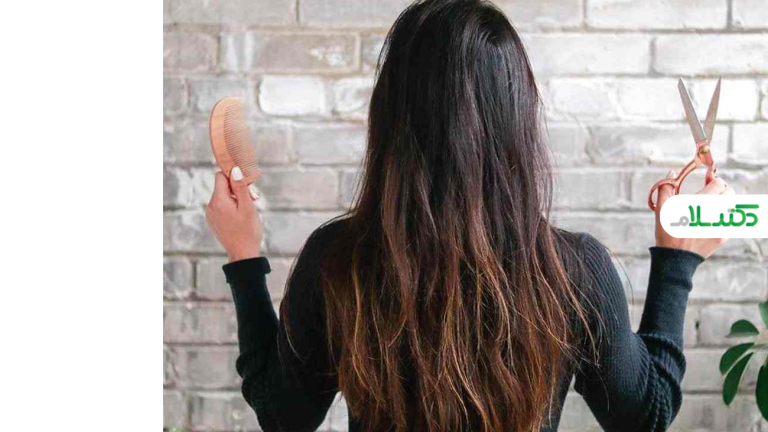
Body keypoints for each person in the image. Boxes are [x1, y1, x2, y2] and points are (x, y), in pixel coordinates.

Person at [204, 1, 734, 431]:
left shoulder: (338, 259)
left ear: (390, 118)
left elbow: (283, 416)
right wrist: (676, 260)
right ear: (519, 118)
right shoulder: (574, 272)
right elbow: (645, 417)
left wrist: (244, 257)